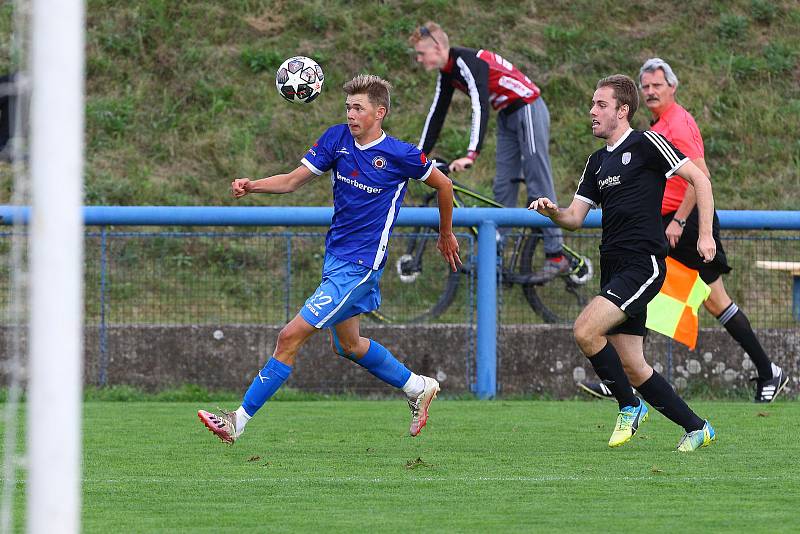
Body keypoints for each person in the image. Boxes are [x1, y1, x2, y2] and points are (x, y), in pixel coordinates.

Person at [198, 74, 461, 444]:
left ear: (379, 112)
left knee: (289, 336)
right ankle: (418, 387)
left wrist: (445, 234)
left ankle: (236, 421)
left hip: (360, 266)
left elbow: (444, 185)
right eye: (348, 108)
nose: (351, 114)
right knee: (349, 345)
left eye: (358, 108)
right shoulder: (337, 138)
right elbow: (292, 181)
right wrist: (252, 184)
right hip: (336, 259)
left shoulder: (400, 155)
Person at [578, 58, 788, 403]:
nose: (650, 92)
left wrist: (680, 222)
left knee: (715, 300)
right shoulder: (656, 125)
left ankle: (769, 371)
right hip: (661, 224)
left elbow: (699, 177)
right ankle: (625, 372)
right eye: (645, 86)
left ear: (672, 87)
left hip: (684, 224)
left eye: (657, 85)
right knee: (641, 287)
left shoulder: (679, 122)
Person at [529, 74, 717, 452]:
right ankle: (698, 427)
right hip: (613, 266)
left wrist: (705, 233)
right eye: (592, 104)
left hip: (643, 263)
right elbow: (575, 218)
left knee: (584, 330)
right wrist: (552, 211)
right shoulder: (596, 162)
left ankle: (629, 405)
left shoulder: (647, 144)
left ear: (622, 110)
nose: (592, 111)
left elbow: (700, 178)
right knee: (632, 365)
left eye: (601, 105)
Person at [410, 22, 568, 279]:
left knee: (537, 179)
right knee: (503, 187)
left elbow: (479, 104)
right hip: (507, 114)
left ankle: (556, 254)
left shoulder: (466, 61)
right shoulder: (447, 73)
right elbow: (437, 113)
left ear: (438, 47)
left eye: (421, 53)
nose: (418, 59)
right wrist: (416, 156)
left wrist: (472, 153)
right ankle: (494, 254)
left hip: (527, 106)